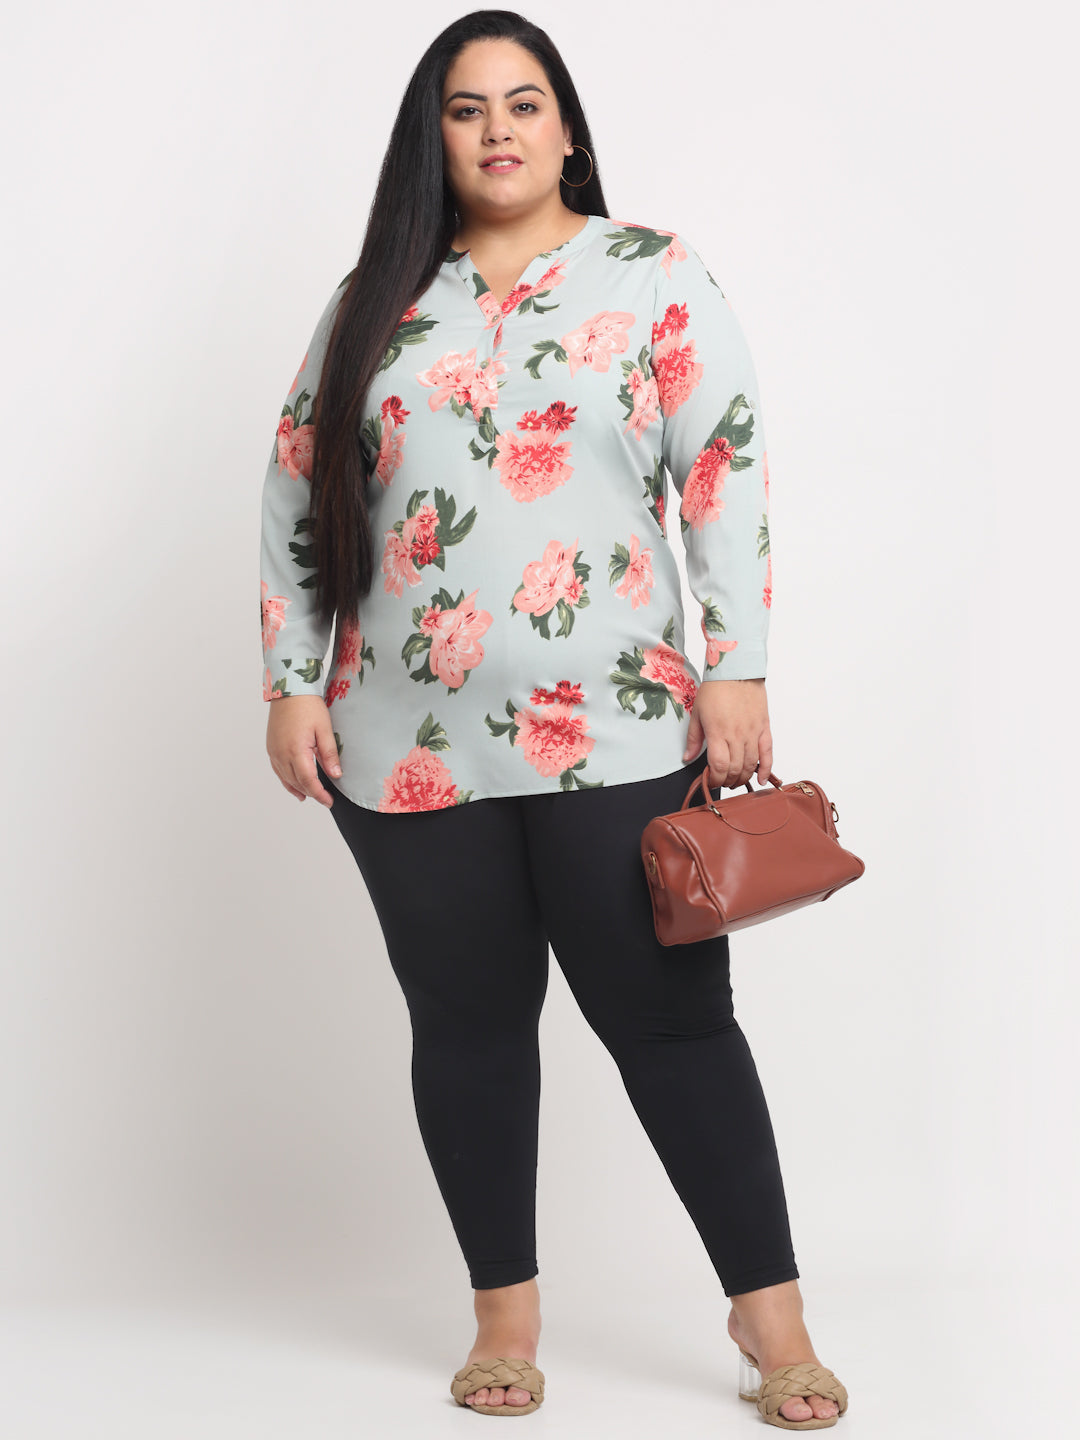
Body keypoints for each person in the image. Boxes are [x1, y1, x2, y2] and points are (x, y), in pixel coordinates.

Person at [258, 9, 848, 1429]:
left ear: (567, 126)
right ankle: (504, 1321)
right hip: (402, 744)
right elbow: (294, 487)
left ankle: (772, 1322)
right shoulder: (373, 301)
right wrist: (292, 678)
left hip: (621, 728)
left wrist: (737, 663)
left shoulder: (652, 276)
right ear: (435, 137)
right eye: (467, 108)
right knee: (466, 1026)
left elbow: (723, 470)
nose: (499, 130)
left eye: (525, 103)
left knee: (673, 1022)